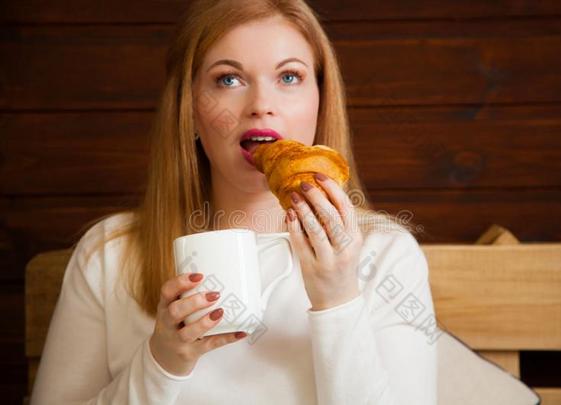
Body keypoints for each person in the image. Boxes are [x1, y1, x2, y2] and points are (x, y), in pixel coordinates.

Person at [30, 0, 437, 403]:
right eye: (228, 79)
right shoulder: (109, 254)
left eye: (289, 77)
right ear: (188, 109)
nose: (261, 104)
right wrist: (161, 362)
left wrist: (337, 299)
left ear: (320, 99)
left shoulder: (386, 254)